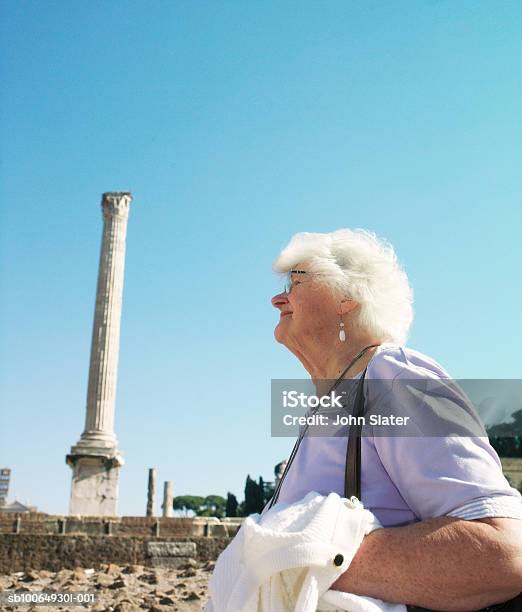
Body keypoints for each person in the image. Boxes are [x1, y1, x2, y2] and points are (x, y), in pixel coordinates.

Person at [269, 229, 522, 611]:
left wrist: (302, 562)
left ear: (347, 298)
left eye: (296, 280)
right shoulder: (328, 407)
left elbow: (502, 553)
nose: (277, 298)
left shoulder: (393, 376)